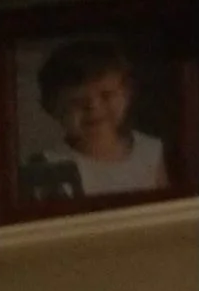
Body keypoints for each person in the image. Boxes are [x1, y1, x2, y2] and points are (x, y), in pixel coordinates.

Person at [27, 36, 168, 199]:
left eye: (106, 95)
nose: (94, 108)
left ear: (127, 94)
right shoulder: (50, 165)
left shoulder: (149, 151)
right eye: (78, 102)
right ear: (52, 108)